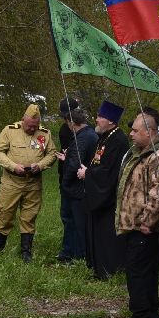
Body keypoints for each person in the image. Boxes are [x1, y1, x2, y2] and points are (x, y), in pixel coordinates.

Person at [115, 113, 159, 318]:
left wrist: (148, 221)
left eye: (135, 130)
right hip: (134, 224)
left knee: (138, 272)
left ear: (149, 132)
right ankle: (150, 312)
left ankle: (142, 317)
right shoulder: (140, 153)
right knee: (141, 271)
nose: (130, 134)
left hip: (145, 226)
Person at [0, 104, 59, 263]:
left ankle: (26, 252)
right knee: (5, 214)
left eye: (35, 126)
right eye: (29, 126)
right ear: (23, 120)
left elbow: (52, 154)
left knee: (29, 217)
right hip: (11, 182)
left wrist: (40, 165)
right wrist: (13, 166)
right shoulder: (9, 131)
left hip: (33, 183)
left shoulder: (44, 134)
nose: (32, 129)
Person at [79, 101, 127, 279]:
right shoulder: (105, 137)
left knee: (106, 235)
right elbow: (99, 163)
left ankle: (108, 270)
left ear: (111, 121)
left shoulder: (118, 140)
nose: (96, 119)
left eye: (100, 116)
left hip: (108, 197)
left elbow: (109, 172)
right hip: (98, 193)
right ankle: (98, 266)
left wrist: (88, 174)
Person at [55, 101, 97, 264]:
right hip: (79, 187)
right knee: (73, 221)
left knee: (73, 221)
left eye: (68, 124)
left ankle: (75, 255)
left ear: (72, 123)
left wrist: (65, 183)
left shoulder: (83, 137)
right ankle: (70, 252)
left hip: (75, 188)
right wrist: (67, 158)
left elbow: (74, 164)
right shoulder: (89, 133)